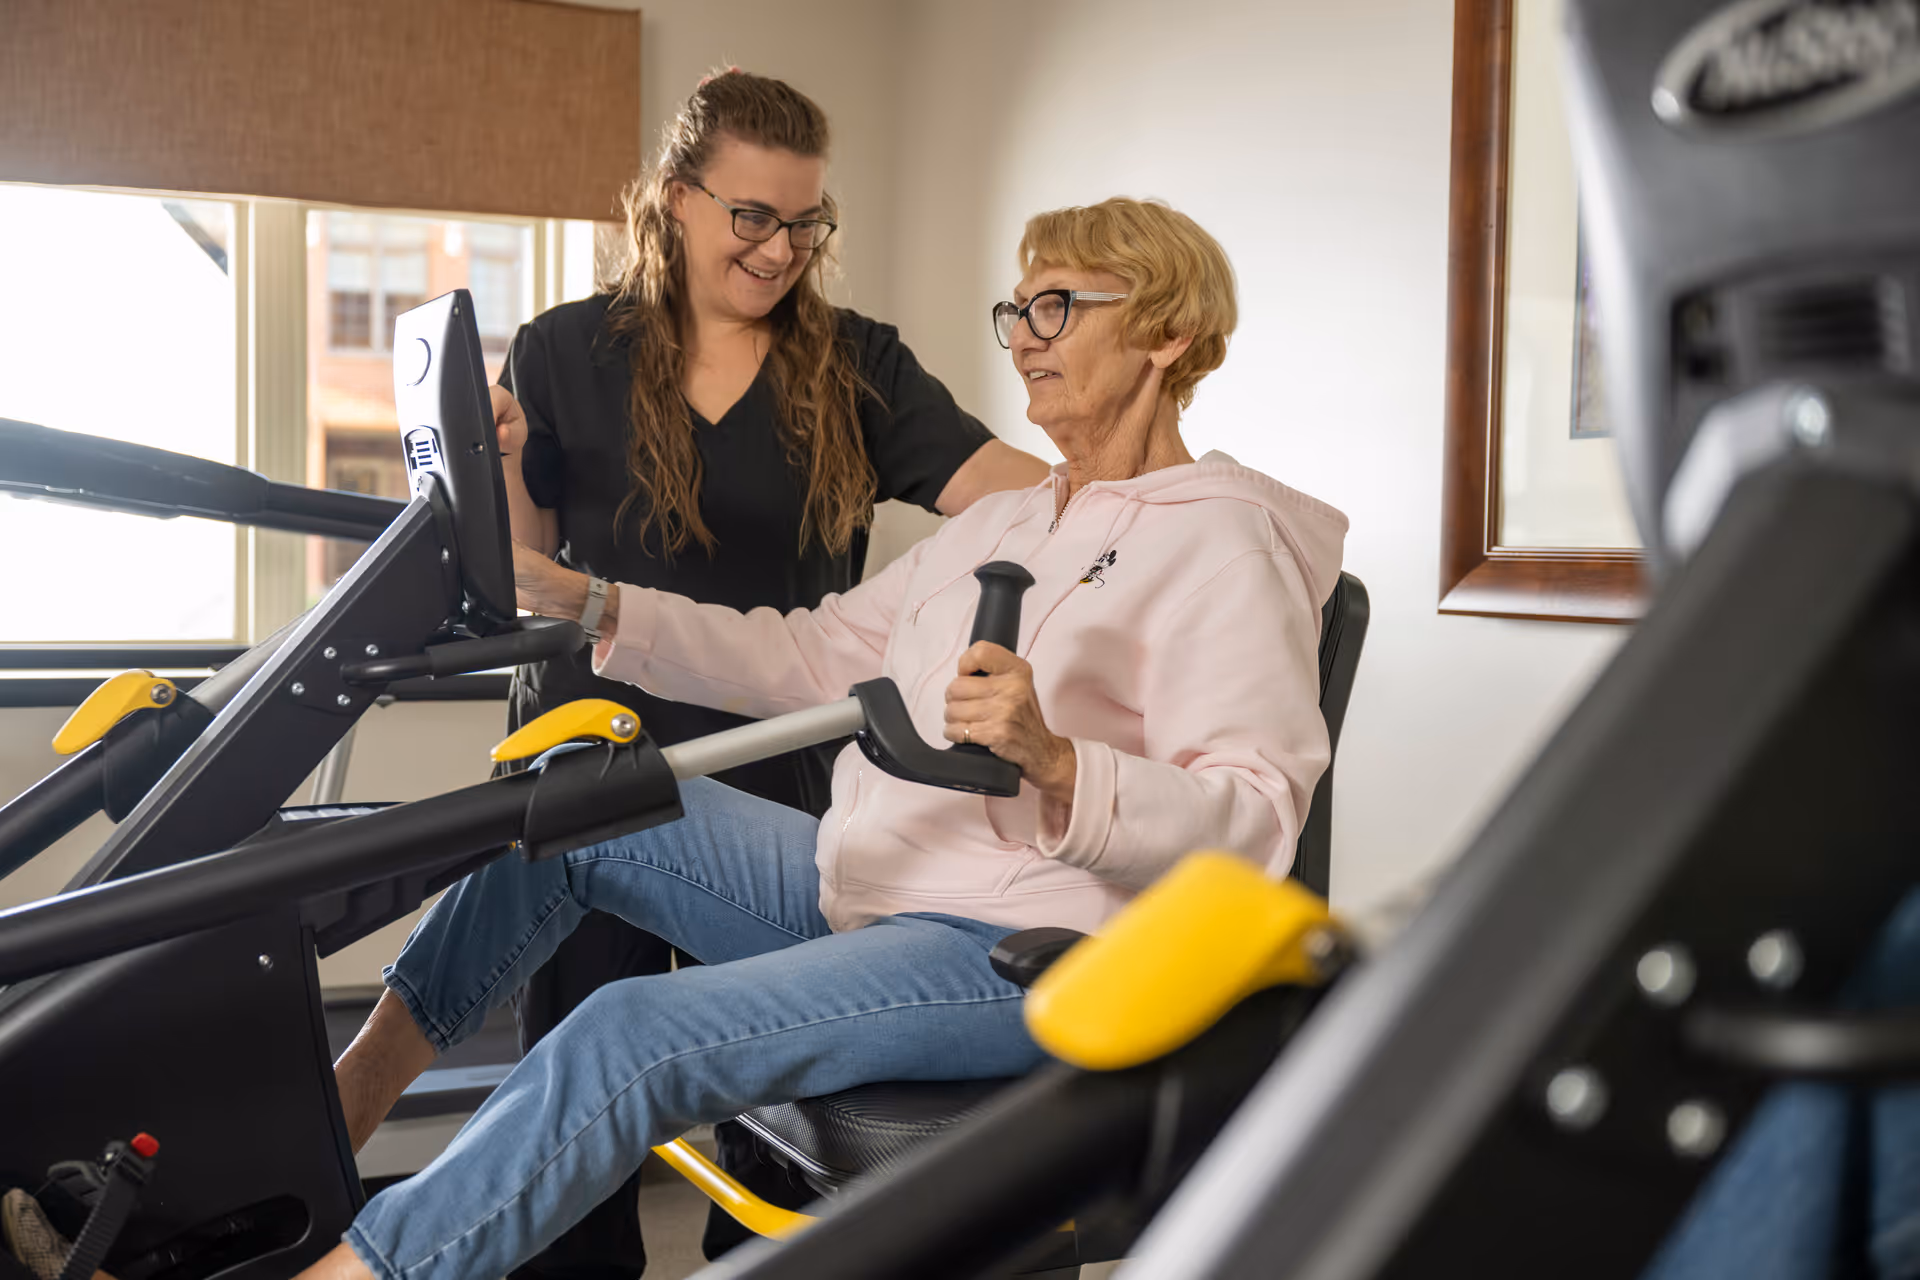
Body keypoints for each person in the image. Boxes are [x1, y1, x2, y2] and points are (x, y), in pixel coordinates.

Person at [309, 195, 1347, 1280]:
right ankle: (336, 1117)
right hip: (871, 881)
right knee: (581, 801)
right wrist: (593, 603)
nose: (1028, 333)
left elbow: (1255, 817)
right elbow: (809, 651)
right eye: (1021, 307)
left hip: (1023, 947)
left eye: (1059, 304)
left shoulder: (1228, 544)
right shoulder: (1004, 522)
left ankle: (354, 1273)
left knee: (627, 1025)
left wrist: (1060, 758)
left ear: (1168, 333)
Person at [488, 68, 1046, 1276]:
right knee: (578, 1068)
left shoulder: (858, 366)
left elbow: (1029, 500)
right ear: (677, 199)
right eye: (752, 216)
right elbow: (528, 580)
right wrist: (505, 470)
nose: (781, 249)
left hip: (782, 763)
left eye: (806, 224)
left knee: (779, 1089)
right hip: (600, 754)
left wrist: (1171, 503)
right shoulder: (564, 352)